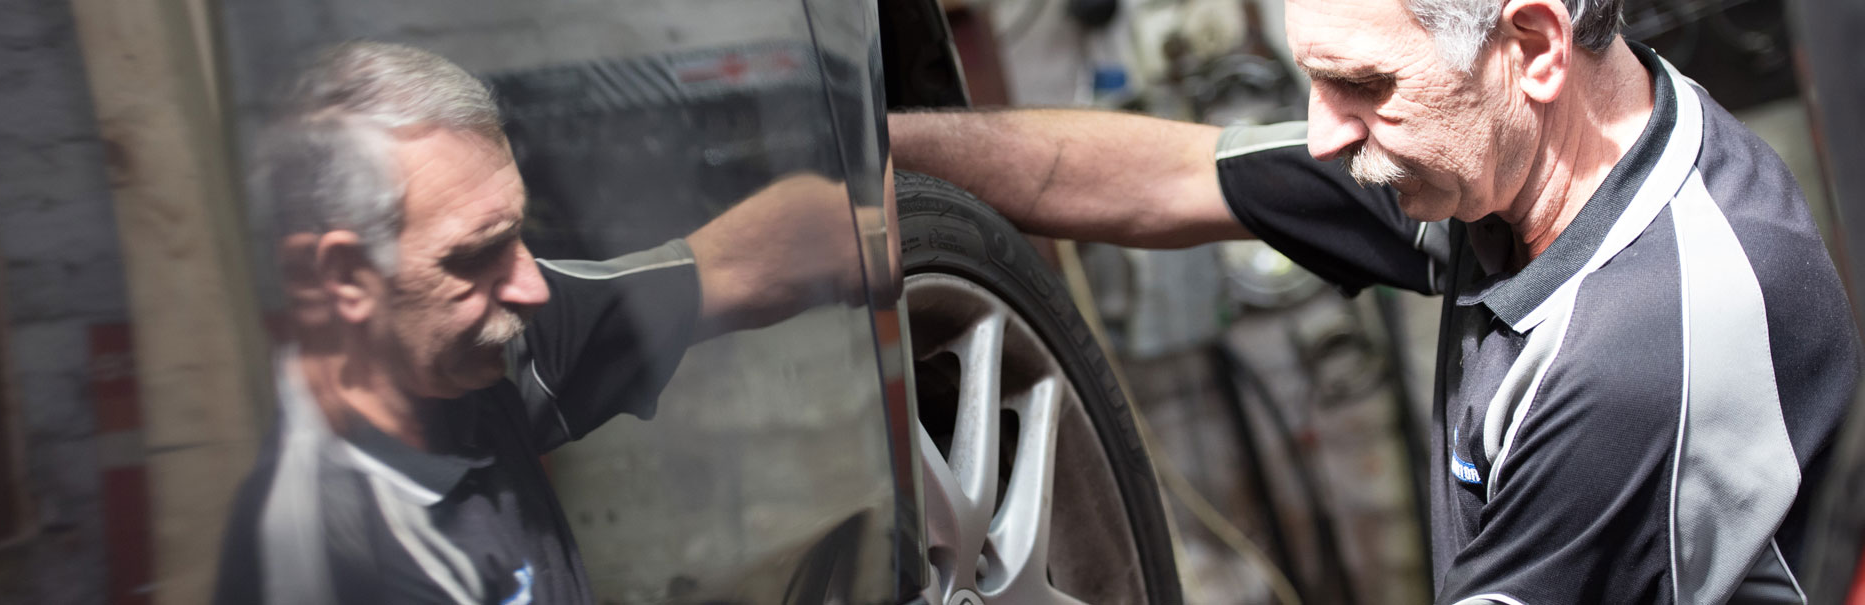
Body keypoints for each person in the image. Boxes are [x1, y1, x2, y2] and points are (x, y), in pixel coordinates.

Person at [889, 0, 1857, 601]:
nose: (1322, 136)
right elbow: (1165, 178)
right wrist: (870, 156)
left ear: (1534, 44)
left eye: (1358, 84)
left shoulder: (1634, 356)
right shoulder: (1543, 137)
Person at [214, 42, 879, 604]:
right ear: (343, 278)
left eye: (518, 234)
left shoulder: (470, 351)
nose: (530, 285)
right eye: (476, 254)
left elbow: (733, 265)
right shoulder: (327, 556)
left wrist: (920, 223)